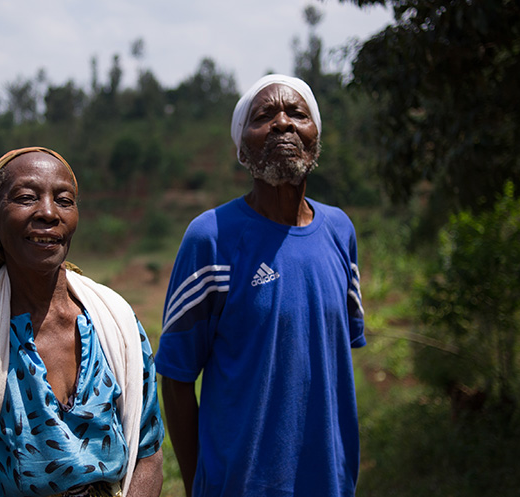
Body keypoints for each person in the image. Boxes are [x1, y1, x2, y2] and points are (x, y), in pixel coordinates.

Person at [155, 75, 366, 497]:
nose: (283, 123)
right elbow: (175, 378)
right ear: (242, 147)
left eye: (297, 113)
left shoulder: (340, 231)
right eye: (264, 115)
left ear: (315, 136)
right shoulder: (211, 237)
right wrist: (203, 482)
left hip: (331, 483)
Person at [0, 147, 164, 497]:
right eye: (26, 198)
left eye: (64, 200)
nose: (48, 213)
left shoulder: (117, 322)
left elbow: (148, 454)